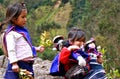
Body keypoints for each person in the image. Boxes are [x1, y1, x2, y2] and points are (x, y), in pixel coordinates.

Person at [0, 3, 44, 79]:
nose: (25, 19)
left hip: (27, 65)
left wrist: (36, 49)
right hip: (18, 65)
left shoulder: (21, 32)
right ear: (14, 18)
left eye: (25, 17)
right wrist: (14, 63)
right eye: (22, 17)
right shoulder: (11, 34)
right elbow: (11, 49)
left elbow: (24, 47)